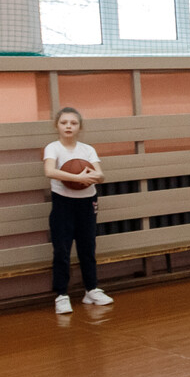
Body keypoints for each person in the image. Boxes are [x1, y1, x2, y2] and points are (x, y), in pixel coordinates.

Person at [42, 106, 112, 313]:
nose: (68, 126)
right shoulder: (52, 148)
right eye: (64, 123)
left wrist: (93, 176)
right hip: (63, 202)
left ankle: (91, 290)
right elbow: (49, 171)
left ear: (79, 127)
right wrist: (78, 178)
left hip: (87, 202)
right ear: (57, 126)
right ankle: (62, 295)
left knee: (87, 248)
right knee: (62, 249)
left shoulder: (87, 150)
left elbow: (101, 176)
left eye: (73, 123)